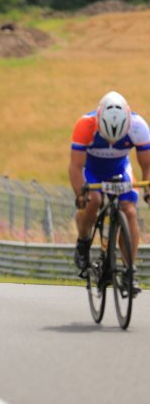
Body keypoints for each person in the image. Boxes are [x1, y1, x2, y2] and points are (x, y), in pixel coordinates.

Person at [70, 91, 150, 294]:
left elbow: (147, 165)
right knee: (93, 201)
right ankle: (83, 240)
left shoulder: (139, 126)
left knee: (129, 212)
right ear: (98, 121)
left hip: (120, 169)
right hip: (92, 170)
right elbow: (76, 167)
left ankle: (129, 271)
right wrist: (80, 195)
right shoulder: (84, 125)